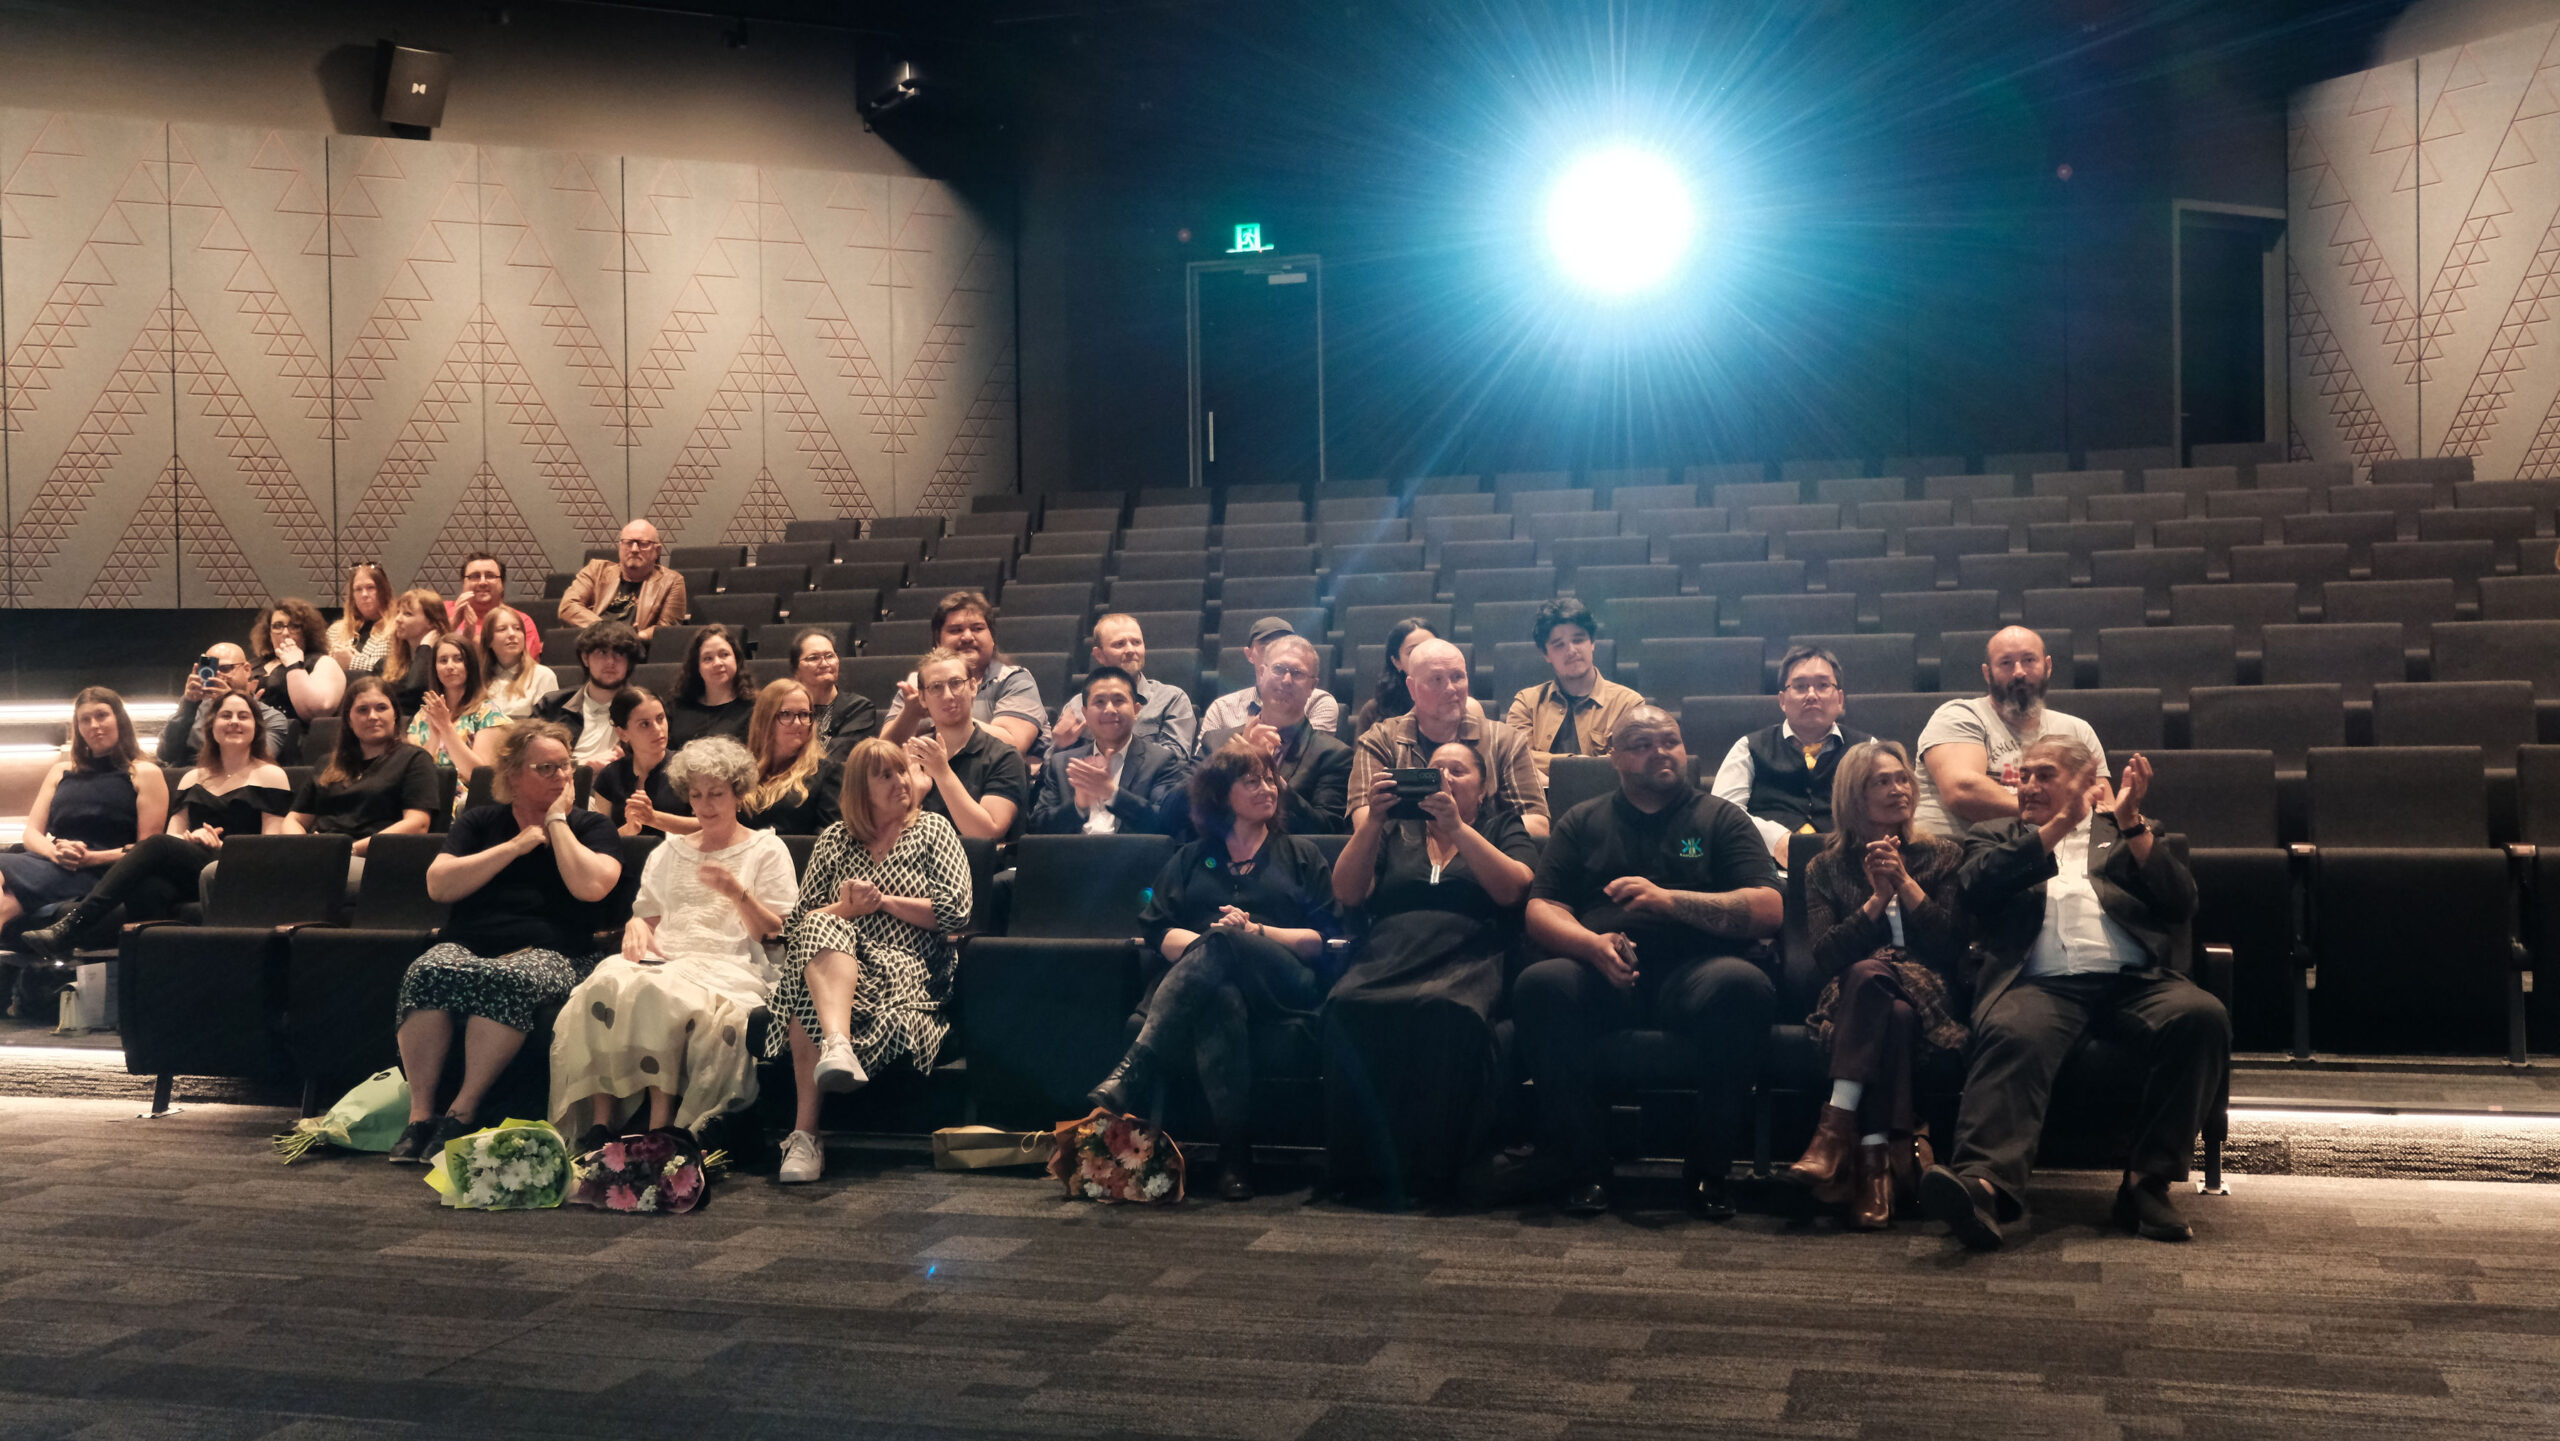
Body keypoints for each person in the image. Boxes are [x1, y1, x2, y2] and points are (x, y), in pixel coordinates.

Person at [1918, 740, 2225, 1250]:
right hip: (2040, 981)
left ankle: (2145, 1185)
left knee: (2201, 1014)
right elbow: (1978, 887)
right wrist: (2059, 824)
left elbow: (2180, 903)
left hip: (2132, 981)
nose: (2028, 785)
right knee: (2013, 1032)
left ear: (2086, 784)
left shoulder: (2128, 832)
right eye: (2024, 776)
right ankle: (1984, 1188)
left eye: (2045, 775)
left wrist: (2131, 824)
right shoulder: (1994, 834)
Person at [1495, 705, 1782, 1217]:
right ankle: (1585, 1169)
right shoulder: (1582, 820)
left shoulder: (1720, 818)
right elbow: (1542, 909)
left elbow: (1768, 908)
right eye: (1642, 745)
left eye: (1669, 741)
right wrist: (1591, 944)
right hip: (1599, 968)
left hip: (1695, 970)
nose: (1660, 752)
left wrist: (1670, 901)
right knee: (1541, 984)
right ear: (1614, 756)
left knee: (1743, 985)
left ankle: (1709, 1171)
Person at [1086, 742, 1338, 1201]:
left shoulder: (1301, 854)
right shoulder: (1191, 857)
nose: (1267, 788)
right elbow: (1159, 930)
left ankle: (1136, 1064)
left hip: (1283, 982)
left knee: (1224, 940)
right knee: (1221, 994)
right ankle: (1234, 1159)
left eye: (1270, 780)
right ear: (1221, 795)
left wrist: (1253, 932)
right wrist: (1210, 948)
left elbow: (1320, 940)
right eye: (1252, 781)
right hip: (1206, 985)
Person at [388, 721, 625, 1163]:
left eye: (565, 766)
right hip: (472, 944)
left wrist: (556, 823)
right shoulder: (480, 821)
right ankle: (420, 1116)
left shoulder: (591, 826)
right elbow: (439, 885)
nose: (561, 777)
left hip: (557, 953)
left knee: (506, 978)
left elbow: (592, 888)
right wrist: (514, 847)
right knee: (427, 970)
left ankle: (461, 1112)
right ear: (513, 775)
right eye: (546, 768)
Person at [550, 736, 793, 1149]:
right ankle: (601, 1125)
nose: (705, 805)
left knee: (662, 992)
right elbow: (646, 916)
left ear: (738, 793)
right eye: (696, 795)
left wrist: (738, 893)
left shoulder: (765, 849)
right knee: (602, 982)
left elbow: (773, 935)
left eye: (716, 794)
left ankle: (659, 1127)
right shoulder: (671, 850)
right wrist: (636, 926)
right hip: (664, 955)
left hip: (728, 961)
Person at [1325, 738, 1536, 1203]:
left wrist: (1457, 828)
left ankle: (1434, 1170)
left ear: (1484, 787)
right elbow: (1347, 893)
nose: (1445, 777)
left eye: (1458, 770)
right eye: (1435, 769)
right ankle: (1362, 1170)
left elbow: (1513, 889)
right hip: (1390, 953)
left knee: (1447, 1010)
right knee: (1347, 1003)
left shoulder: (1501, 825)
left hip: (1469, 953)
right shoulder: (1396, 831)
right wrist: (1373, 821)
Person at [768, 737, 974, 1185]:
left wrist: (884, 902)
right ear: (861, 789)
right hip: (840, 969)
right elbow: (799, 923)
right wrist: (846, 909)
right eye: (886, 775)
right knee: (820, 933)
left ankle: (805, 1135)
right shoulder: (834, 840)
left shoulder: (932, 830)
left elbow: (956, 912)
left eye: (902, 771)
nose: (902, 782)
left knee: (804, 997)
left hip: (910, 966)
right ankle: (837, 1047)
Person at [1783, 740, 1969, 1230]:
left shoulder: (1943, 855)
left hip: (1926, 984)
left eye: (1902, 778)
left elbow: (1951, 947)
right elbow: (1826, 956)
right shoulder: (1824, 867)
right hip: (1850, 990)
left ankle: (1834, 1132)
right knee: (1889, 1009)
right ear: (1853, 797)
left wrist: (1904, 884)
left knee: (1879, 983)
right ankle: (1875, 1167)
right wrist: (1875, 901)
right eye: (1881, 782)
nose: (1898, 789)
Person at [21, 690, 288, 961]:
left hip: (237, 866)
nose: (234, 722)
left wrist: (224, 846)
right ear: (211, 726)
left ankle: (74, 924)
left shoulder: (270, 775)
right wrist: (192, 837)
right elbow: (174, 837)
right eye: (225, 715)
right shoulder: (193, 778)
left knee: (155, 844)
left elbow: (270, 846)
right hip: (193, 866)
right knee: (147, 887)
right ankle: (151, 971)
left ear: (256, 726)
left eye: (243, 716)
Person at [2, 691, 168, 972]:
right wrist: (54, 853)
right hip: (51, 860)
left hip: (101, 871)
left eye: (102, 715)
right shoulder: (61, 771)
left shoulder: (144, 772)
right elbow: (31, 833)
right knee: (4, 900)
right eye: (85, 720)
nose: (94, 725)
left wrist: (90, 858)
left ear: (119, 719)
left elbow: (148, 849)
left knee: (7, 901)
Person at [1913, 627, 2105, 840]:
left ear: (2048, 666)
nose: (2019, 672)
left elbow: (2103, 804)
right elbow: (1963, 791)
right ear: (1988, 673)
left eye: (2029, 660)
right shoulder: (1959, 716)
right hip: (1955, 849)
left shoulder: (2077, 729)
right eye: (2006, 663)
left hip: (2051, 851)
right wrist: (2059, 815)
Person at [1347, 638, 1548, 838]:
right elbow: (1363, 821)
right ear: (1412, 688)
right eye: (1436, 679)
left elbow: (1538, 824)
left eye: (1458, 677)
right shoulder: (1379, 740)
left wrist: (1458, 829)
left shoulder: (1505, 740)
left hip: (1483, 857)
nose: (1451, 688)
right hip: (1402, 857)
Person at [1711, 645, 1877, 866]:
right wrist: (1775, 840)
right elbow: (1723, 811)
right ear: (1782, 700)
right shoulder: (1748, 747)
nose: (1811, 695)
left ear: (1840, 699)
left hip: (1849, 866)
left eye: (1823, 685)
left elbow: (1889, 808)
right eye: (1800, 686)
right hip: (1767, 869)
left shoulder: (1867, 748)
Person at [283, 677, 441, 880]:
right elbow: (294, 818)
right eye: (362, 710)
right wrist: (305, 847)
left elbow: (418, 824)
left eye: (381, 708)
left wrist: (347, 850)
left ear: (395, 715)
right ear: (349, 720)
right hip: (322, 855)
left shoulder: (415, 759)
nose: (372, 716)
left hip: (375, 859)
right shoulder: (327, 763)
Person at [1194, 633, 1353, 834]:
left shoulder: (1334, 755)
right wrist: (1233, 761)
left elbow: (1327, 831)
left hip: (1288, 852)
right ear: (1261, 674)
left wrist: (1272, 777)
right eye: (1279, 669)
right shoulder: (1216, 741)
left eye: (1298, 673)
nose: (1286, 680)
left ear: (1312, 687)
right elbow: (1174, 811)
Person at [878, 591, 1045, 757]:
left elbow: (1012, 746)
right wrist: (911, 713)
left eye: (977, 628)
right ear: (938, 642)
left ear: (992, 638)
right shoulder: (918, 687)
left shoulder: (1015, 681)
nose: (967, 637)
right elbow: (884, 756)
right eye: (956, 630)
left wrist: (942, 715)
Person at [1028, 665, 1190, 835]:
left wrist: (1112, 794)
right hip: (1073, 851)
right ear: (1085, 713)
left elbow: (1166, 823)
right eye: (1099, 702)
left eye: (1119, 700)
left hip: (1132, 852)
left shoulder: (1161, 761)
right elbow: (1037, 828)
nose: (1109, 709)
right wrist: (1078, 806)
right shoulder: (1062, 763)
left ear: (1136, 710)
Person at [1505, 599, 1643, 786]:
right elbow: (1513, 758)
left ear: (1592, 643)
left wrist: (1551, 777)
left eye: (1578, 640)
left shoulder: (1628, 704)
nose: (1571, 651)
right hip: (1539, 801)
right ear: (1546, 654)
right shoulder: (1526, 703)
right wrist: (1576, 762)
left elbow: (1623, 764)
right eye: (1558, 645)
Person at [900, 647, 1028, 843]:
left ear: (973, 687)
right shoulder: (911, 756)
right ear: (922, 698)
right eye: (936, 687)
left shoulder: (1004, 757)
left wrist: (942, 774)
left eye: (956, 683)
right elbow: (886, 837)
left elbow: (988, 834)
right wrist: (915, 797)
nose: (948, 695)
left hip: (978, 862)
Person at [1049, 613, 1200, 755]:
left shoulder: (1171, 699)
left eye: (1136, 642)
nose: (1130, 650)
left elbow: (1175, 760)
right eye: (1119, 644)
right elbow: (1053, 768)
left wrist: (1114, 756)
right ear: (1099, 655)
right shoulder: (1077, 706)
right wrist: (1059, 746)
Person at [1200, 616, 1342, 737]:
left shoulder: (1318, 702)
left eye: (1285, 648)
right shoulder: (1221, 708)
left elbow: (1315, 753)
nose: (1275, 655)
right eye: (1266, 648)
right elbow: (1204, 759)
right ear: (1249, 654)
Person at [532, 620, 646, 768]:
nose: (610, 661)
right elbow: (528, 758)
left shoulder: (645, 708)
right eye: (602, 653)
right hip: (563, 778)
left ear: (629, 662)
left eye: (619, 653)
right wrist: (582, 766)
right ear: (585, 658)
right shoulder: (551, 705)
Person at [157, 643, 290, 768]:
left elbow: (261, 759)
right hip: (191, 779)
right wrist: (188, 704)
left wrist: (231, 702)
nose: (218, 676)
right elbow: (166, 754)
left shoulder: (271, 718)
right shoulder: (193, 710)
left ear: (247, 670)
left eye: (225, 669)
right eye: (211, 670)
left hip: (243, 781)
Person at [589, 686, 697, 837]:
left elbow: (712, 825)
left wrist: (653, 818)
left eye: (660, 719)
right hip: (627, 852)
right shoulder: (609, 775)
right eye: (645, 724)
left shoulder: (691, 768)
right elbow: (599, 839)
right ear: (622, 733)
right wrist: (628, 830)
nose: (658, 729)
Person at [739, 678, 843, 834]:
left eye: (804, 714)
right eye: (786, 714)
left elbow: (832, 839)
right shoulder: (741, 772)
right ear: (765, 719)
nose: (798, 723)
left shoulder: (827, 773)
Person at [1349, 617, 1481, 738]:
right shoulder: (1374, 710)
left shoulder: (1466, 705)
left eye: (1430, 647)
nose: (1425, 656)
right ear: (1396, 661)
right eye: (1413, 651)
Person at [405, 634, 508, 791]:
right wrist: (434, 738)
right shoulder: (423, 714)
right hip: (426, 793)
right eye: (443, 660)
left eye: (458, 659)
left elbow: (479, 776)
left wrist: (446, 728)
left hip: (464, 797)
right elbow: (413, 773)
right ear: (435, 668)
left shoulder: (488, 713)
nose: (450, 666)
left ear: (470, 665)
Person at [558, 518, 688, 641]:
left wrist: (637, 637)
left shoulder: (672, 581)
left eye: (643, 544)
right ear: (620, 546)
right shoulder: (596, 570)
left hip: (636, 648)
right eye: (628, 543)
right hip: (593, 644)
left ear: (657, 550)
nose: (634, 549)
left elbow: (667, 629)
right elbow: (568, 607)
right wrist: (609, 631)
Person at [250, 597, 348, 759]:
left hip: (296, 744)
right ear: (269, 632)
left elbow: (317, 710)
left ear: (307, 631)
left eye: (294, 626)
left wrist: (294, 664)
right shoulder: (253, 665)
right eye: (277, 626)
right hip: (249, 736)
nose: (285, 633)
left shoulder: (321, 662)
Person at [786, 627, 877, 762]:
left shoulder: (858, 708)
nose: (824, 663)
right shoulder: (784, 709)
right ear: (796, 669)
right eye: (813, 658)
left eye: (829, 656)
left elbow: (837, 761)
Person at [666, 624, 754, 751]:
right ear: (697, 666)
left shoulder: (753, 708)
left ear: (737, 659)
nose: (717, 663)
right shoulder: (678, 706)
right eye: (708, 659)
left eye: (724, 655)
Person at [446, 552, 545, 665]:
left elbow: (520, 668)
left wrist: (472, 638)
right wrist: (452, 625)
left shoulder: (520, 622)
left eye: (490, 576)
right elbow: (431, 659)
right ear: (463, 583)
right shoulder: (443, 611)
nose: (482, 582)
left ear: (502, 584)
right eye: (475, 576)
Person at [478, 607, 559, 720]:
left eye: (517, 628)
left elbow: (549, 725)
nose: (512, 634)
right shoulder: (477, 679)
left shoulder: (543, 676)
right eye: (502, 629)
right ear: (488, 641)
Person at [382, 587, 447, 717]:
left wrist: (425, 647)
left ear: (431, 622)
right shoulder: (386, 664)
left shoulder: (444, 662)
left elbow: (416, 689)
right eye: (398, 612)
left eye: (408, 614)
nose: (398, 619)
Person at [325, 563, 395, 677]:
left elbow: (394, 670)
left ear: (383, 591)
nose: (364, 594)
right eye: (358, 589)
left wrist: (352, 662)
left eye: (370, 587)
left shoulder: (397, 630)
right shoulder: (335, 631)